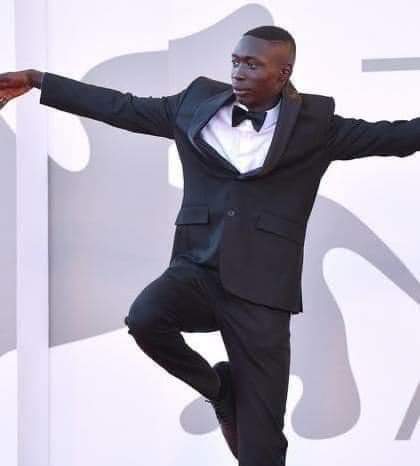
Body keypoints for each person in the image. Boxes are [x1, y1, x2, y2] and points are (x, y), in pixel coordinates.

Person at [2, 24, 420, 466]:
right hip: (197, 271)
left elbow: (395, 138)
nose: (238, 72)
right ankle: (220, 390)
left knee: (261, 447)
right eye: (236, 62)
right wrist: (38, 80)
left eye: (252, 65)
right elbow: (120, 107)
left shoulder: (316, 127)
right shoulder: (194, 105)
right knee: (146, 318)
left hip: (263, 296)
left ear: (283, 73)